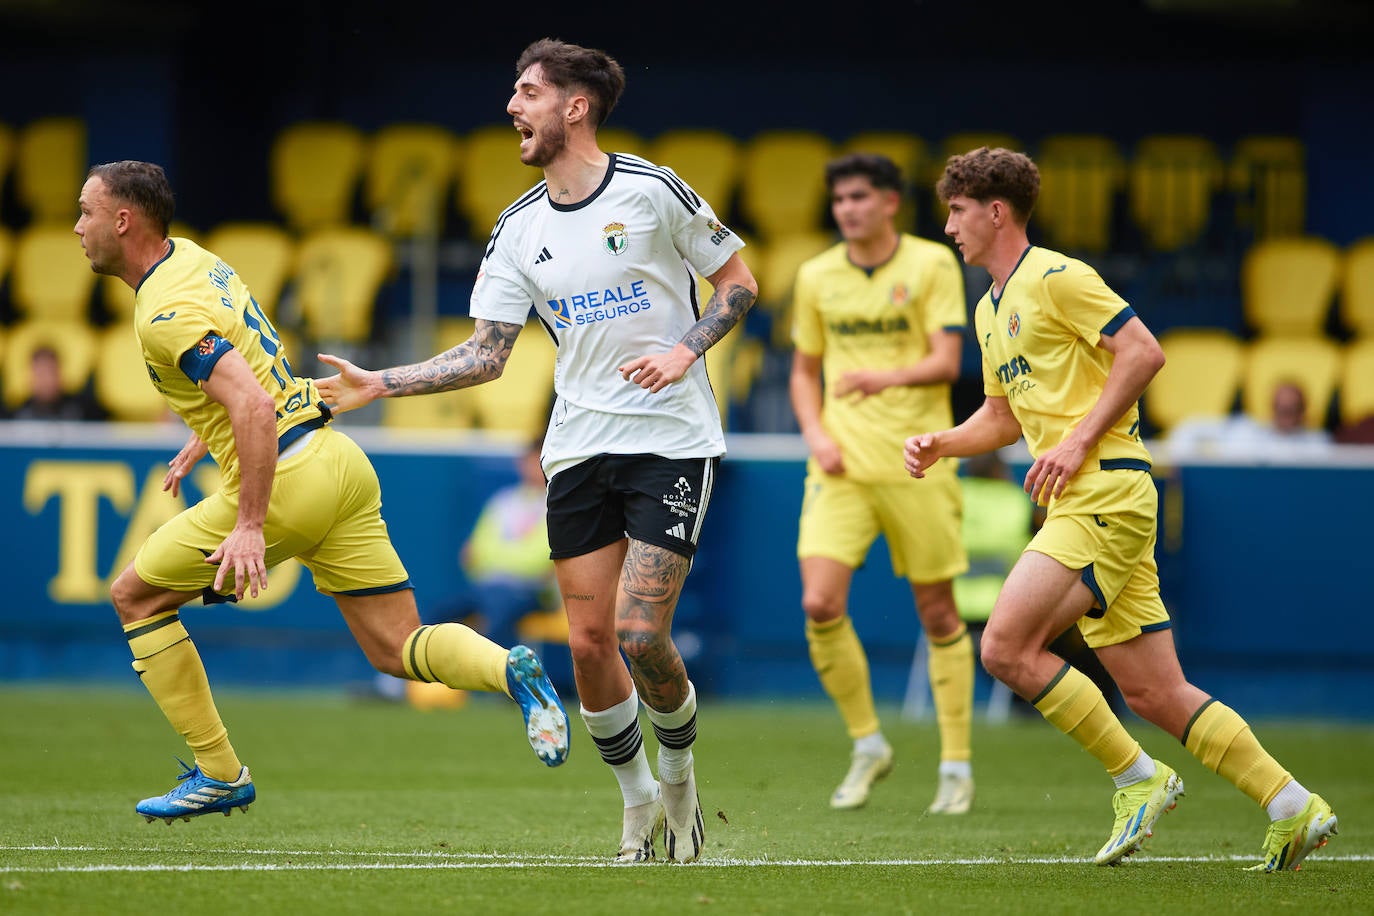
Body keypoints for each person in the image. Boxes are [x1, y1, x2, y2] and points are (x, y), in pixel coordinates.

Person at [315, 39, 757, 864]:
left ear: (575, 105)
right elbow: (488, 353)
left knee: (637, 633)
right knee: (588, 645)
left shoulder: (652, 191)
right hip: (579, 448)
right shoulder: (517, 228)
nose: (512, 106)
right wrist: (383, 382)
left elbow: (739, 281)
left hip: (671, 440)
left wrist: (685, 351)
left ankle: (681, 784)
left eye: (526, 92)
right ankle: (635, 811)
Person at [73, 160, 570, 825]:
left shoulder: (162, 311)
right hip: (337, 462)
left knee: (134, 596)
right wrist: (204, 430)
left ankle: (219, 773)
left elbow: (249, 406)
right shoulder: (193, 260)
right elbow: (241, 377)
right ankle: (509, 669)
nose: (78, 226)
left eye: (86, 211)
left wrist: (249, 523)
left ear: (123, 219)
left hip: (285, 481)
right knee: (396, 647)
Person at [904, 146, 1338, 870]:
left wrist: (1075, 442)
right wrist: (943, 442)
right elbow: (1004, 416)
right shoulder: (989, 306)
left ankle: (1139, 779)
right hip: (1081, 497)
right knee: (1152, 690)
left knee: (1005, 648)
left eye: (956, 210)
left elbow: (1142, 352)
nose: (948, 225)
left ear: (996, 211)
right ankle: (1294, 805)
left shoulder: (1058, 276)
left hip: (1105, 489)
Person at [788, 152, 976, 814]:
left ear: (891, 202)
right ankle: (868, 743)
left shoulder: (931, 263)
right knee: (818, 604)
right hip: (839, 467)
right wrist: (815, 433)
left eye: (861, 197)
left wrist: (882, 379)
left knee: (938, 613)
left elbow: (948, 360)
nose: (848, 209)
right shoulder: (815, 275)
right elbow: (804, 370)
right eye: (840, 200)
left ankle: (955, 763)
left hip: (915, 461)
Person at [1166, 379, 1333, 460]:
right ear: (1271, 407)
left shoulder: (1319, 445)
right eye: (1280, 408)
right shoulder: (1247, 432)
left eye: (1291, 409)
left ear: (1303, 411)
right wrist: (1178, 463)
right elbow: (1190, 428)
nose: (1285, 415)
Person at [6, 345, 107, 421]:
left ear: (60, 375)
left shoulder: (85, 412)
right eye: (40, 374)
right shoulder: (16, 416)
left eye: (50, 372)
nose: (45, 381)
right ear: (29, 378)